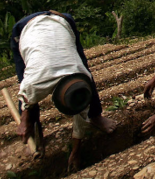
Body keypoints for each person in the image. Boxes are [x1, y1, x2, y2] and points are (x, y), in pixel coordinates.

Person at [10, 10, 117, 171]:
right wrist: (24, 121)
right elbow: (25, 97)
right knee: (23, 83)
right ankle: (33, 135)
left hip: (63, 21)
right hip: (24, 29)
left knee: (84, 66)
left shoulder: (83, 80)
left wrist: (75, 152)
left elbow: (80, 123)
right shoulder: (36, 81)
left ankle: (96, 116)